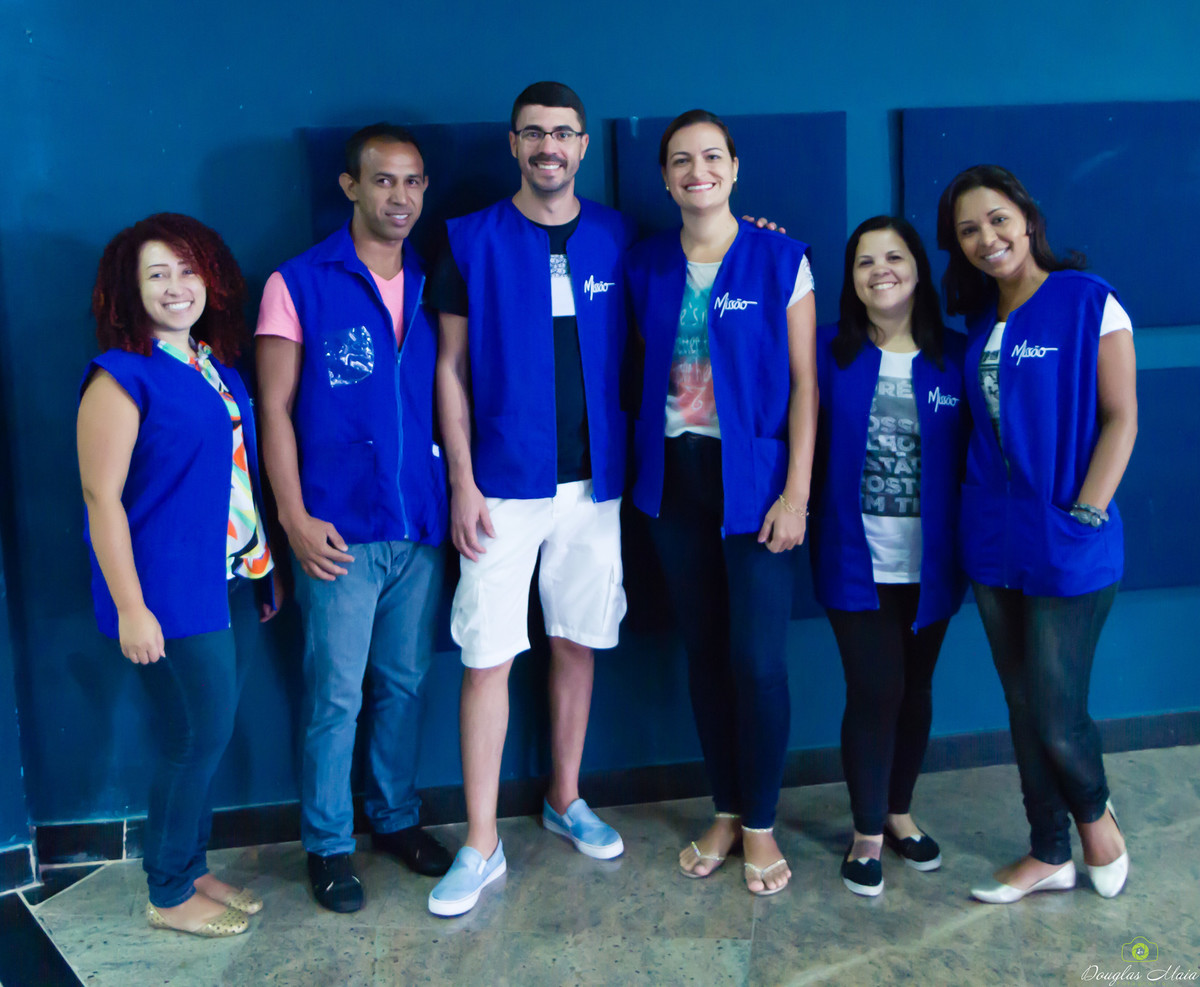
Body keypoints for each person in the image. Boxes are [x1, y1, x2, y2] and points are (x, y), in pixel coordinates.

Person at [427, 81, 634, 917]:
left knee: (578, 643)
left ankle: (564, 796)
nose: (549, 147)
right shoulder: (468, 239)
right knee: (489, 657)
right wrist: (462, 479)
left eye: (563, 134)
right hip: (501, 489)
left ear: (583, 145)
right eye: (534, 134)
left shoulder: (621, 237)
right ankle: (481, 842)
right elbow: (448, 367)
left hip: (596, 485)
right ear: (513, 144)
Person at [256, 124, 451, 914]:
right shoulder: (299, 281)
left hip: (419, 527)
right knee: (335, 692)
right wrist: (293, 517)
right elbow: (272, 409)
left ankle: (395, 817)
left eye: (411, 182)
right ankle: (329, 843)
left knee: (403, 684)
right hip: (336, 530)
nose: (398, 197)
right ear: (350, 187)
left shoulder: (438, 283)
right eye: (382, 181)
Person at [625, 109, 817, 897]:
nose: (696, 170)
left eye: (711, 157)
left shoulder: (781, 258)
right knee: (704, 654)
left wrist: (797, 492)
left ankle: (764, 822)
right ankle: (728, 807)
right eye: (680, 159)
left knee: (758, 659)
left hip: (759, 484)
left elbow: (807, 387)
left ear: (735, 168)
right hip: (674, 481)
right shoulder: (644, 264)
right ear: (665, 176)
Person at [935, 164, 1136, 902]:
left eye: (996, 219)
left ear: (1026, 214)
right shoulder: (980, 326)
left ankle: (1094, 819)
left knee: (1057, 713)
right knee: (1021, 706)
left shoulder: (1089, 301)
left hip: (1067, 539)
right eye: (967, 230)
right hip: (993, 541)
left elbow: (1122, 416)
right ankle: (1048, 848)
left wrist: (1084, 511)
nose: (986, 238)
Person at [79, 213, 279, 936]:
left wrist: (261, 571)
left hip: (228, 579)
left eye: (188, 270)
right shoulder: (120, 376)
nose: (176, 286)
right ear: (129, 291)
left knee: (210, 734)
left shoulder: (214, 369)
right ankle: (168, 891)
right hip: (167, 594)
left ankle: (191, 866)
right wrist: (132, 608)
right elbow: (102, 499)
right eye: (157, 273)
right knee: (196, 736)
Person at [809, 216, 968, 896]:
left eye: (894, 255)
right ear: (850, 279)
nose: (881, 269)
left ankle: (900, 811)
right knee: (877, 689)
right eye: (864, 260)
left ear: (919, 268)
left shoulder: (956, 356)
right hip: (855, 559)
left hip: (934, 565)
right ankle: (868, 828)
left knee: (917, 691)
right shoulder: (825, 351)